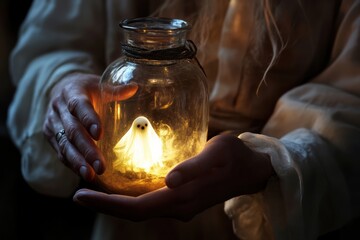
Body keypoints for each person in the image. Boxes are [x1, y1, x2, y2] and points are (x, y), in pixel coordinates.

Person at [7, 0, 360, 239]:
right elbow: (53, 42)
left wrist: (272, 163)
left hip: (270, 218)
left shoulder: (191, 75)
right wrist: (62, 81)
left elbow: (351, 97)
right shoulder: (121, 71)